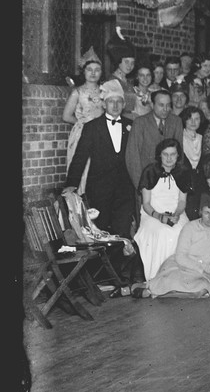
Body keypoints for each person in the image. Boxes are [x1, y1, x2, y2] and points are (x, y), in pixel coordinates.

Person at [63, 83, 136, 239]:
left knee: (122, 232)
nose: (115, 105)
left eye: (119, 101)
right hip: (99, 189)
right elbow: (80, 157)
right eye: (111, 101)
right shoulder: (92, 127)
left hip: (124, 190)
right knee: (100, 232)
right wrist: (71, 184)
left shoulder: (131, 126)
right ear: (104, 104)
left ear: (124, 104)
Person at [131, 137, 191, 283]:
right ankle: (158, 279)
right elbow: (146, 204)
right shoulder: (150, 171)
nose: (169, 158)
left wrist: (176, 215)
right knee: (162, 232)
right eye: (165, 154)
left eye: (173, 154)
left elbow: (182, 201)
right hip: (152, 213)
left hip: (176, 212)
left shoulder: (183, 172)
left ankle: (181, 279)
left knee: (183, 231)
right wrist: (160, 217)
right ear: (159, 155)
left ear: (178, 155)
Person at [147, 194, 210, 298]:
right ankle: (157, 290)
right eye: (206, 213)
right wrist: (205, 273)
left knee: (202, 289)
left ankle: (161, 293)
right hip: (181, 266)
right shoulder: (190, 227)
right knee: (177, 283)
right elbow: (180, 257)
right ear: (200, 212)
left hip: (200, 273)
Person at [62, 53, 108, 191]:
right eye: (89, 70)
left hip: (102, 133)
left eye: (97, 70)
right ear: (84, 72)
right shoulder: (78, 92)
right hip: (83, 133)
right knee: (82, 165)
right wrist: (82, 123)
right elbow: (66, 116)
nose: (93, 73)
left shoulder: (105, 92)